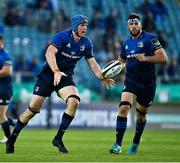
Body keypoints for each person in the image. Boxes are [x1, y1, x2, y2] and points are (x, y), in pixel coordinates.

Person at [6, 15, 115, 154]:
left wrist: (101, 76)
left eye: (86, 25)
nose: (85, 28)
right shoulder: (62, 36)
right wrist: (56, 71)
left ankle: (58, 138)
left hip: (64, 78)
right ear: (75, 26)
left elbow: (92, 63)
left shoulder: (87, 43)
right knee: (32, 110)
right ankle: (12, 139)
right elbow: (49, 53)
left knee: (74, 101)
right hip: (47, 76)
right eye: (82, 25)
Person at [109, 13, 168, 155]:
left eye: (136, 23)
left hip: (147, 83)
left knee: (141, 115)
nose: (134, 26)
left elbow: (163, 58)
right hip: (131, 80)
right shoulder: (125, 43)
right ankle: (117, 144)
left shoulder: (150, 39)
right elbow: (121, 62)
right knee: (123, 108)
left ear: (140, 24)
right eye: (131, 24)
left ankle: (136, 142)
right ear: (128, 26)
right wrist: (109, 73)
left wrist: (146, 58)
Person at [0, 35, 13, 143]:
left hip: (4, 89)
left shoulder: (6, 56)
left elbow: (7, 71)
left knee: (0, 113)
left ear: (1, 42)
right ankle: (13, 122)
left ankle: (9, 138)